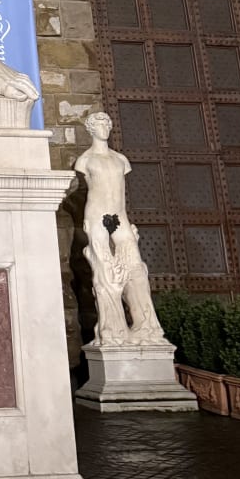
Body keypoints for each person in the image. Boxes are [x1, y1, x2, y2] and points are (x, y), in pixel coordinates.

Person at [74, 112, 166, 346]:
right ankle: (112, 329)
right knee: (105, 270)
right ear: (91, 129)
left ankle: (146, 326)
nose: (105, 128)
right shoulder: (85, 160)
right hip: (97, 215)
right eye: (99, 124)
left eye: (107, 124)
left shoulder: (120, 160)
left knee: (135, 268)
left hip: (120, 216)